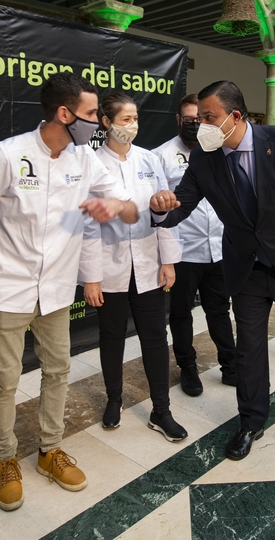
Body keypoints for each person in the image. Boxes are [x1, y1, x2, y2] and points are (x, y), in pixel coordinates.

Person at [0, 73, 139, 511]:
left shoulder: (86, 161)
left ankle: (49, 450)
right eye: (92, 115)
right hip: (4, 290)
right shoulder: (8, 156)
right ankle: (4, 459)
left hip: (54, 292)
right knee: (4, 381)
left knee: (58, 371)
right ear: (64, 114)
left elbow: (128, 209)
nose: (99, 124)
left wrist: (116, 207)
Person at [149, 81, 275, 461]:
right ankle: (251, 420)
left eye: (209, 117)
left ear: (235, 117)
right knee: (249, 350)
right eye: (199, 117)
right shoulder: (206, 157)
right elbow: (180, 207)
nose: (201, 125)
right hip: (246, 268)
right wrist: (159, 207)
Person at [79, 93, 187, 441]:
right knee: (111, 337)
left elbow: (164, 213)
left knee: (155, 337)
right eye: (126, 119)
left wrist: (168, 259)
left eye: (136, 118)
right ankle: (114, 400)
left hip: (147, 262)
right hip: (109, 266)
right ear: (106, 123)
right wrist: (91, 278)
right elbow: (88, 227)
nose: (133, 126)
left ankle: (162, 410)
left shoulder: (149, 159)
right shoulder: (91, 163)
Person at [154, 94, 237, 397]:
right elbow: (161, 210)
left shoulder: (217, 150)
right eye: (188, 120)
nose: (194, 125)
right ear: (178, 120)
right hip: (183, 250)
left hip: (218, 248)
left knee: (219, 310)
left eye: (199, 119)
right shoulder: (160, 156)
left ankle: (231, 364)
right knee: (181, 314)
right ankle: (187, 367)